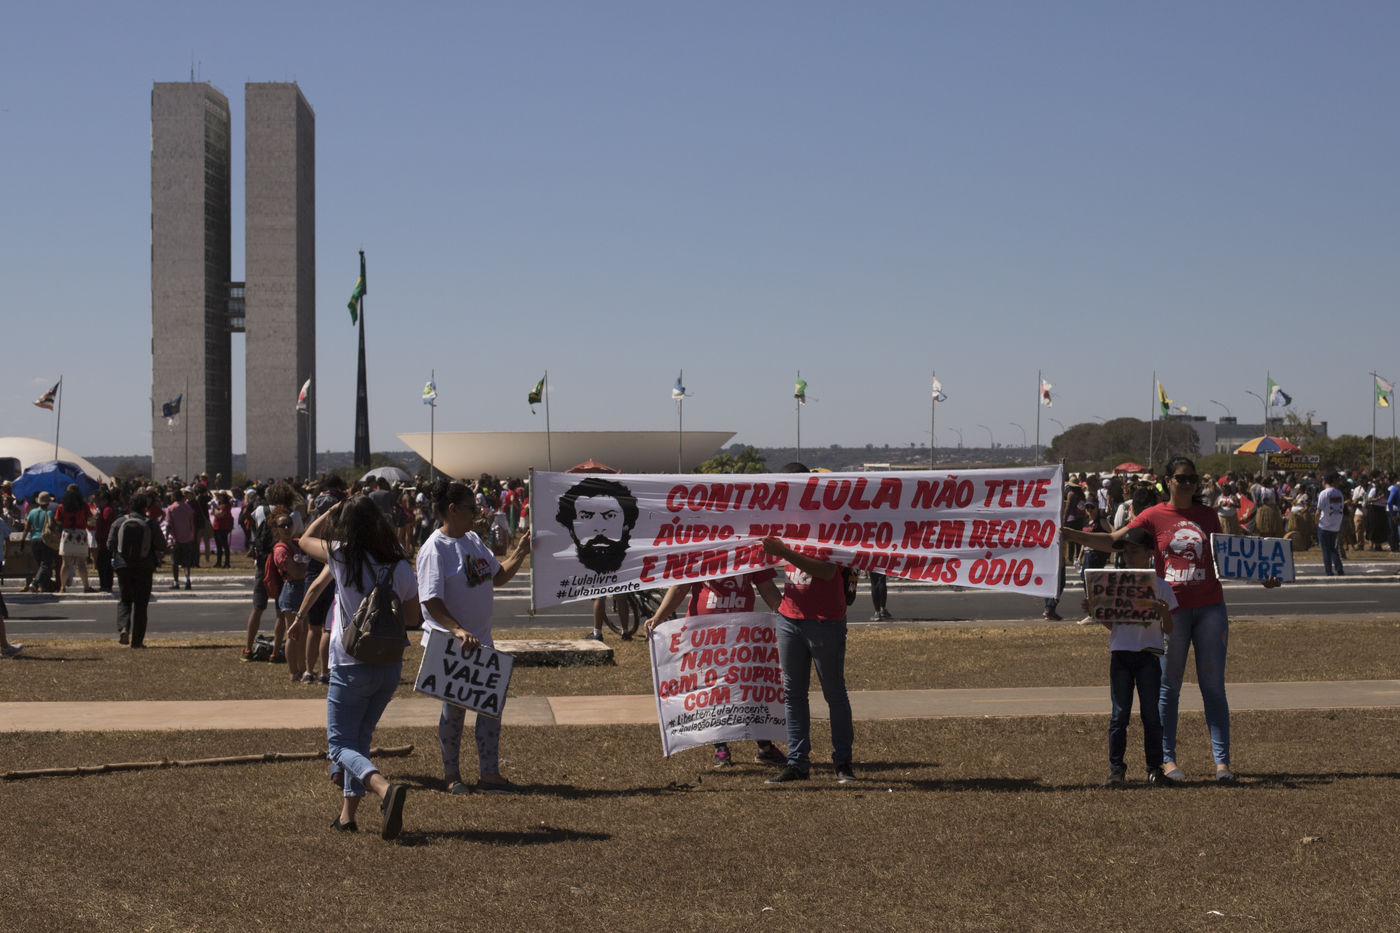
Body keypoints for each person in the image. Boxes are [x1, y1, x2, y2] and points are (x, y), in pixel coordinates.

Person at [1064, 456, 1281, 784]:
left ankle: (1222, 764)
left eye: (1193, 478)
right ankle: (1167, 761)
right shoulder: (1153, 516)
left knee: (1213, 687)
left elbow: (1230, 555)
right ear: (1168, 481)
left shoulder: (1209, 515)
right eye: (1182, 478)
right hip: (1172, 610)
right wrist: (1070, 535)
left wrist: (1262, 574)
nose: (1189, 483)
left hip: (1210, 608)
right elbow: (1115, 541)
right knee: (1169, 687)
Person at [299, 496, 418, 840]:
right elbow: (413, 617)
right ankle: (347, 816)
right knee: (360, 738)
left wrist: (329, 511)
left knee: (338, 745)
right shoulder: (399, 564)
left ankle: (383, 788)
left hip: (350, 662)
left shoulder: (342, 556)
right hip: (389, 665)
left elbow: (304, 540)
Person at [416, 480, 532, 794]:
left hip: (481, 643)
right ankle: (451, 776)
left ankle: (489, 775)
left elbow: (498, 576)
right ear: (453, 510)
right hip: (452, 644)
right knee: (454, 711)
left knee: (491, 708)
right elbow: (430, 600)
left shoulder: (472, 540)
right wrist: (457, 630)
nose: (477, 513)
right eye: (471, 508)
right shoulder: (434, 549)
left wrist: (521, 551)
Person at [762, 462, 855, 785]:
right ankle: (798, 762)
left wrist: (784, 552)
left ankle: (843, 763)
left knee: (834, 693)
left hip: (825, 620)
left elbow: (828, 571)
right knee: (793, 694)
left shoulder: (829, 523)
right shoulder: (785, 522)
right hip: (791, 618)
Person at [644, 571, 788, 768]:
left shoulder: (750, 553)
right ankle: (720, 746)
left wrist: (785, 614)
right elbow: (680, 587)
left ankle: (764, 746)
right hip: (704, 634)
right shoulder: (697, 553)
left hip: (741, 631)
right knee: (711, 692)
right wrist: (658, 617)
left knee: (747, 689)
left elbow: (767, 587)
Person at [1081, 527, 1175, 787]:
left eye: (1134, 551)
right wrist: (1096, 610)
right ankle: (1116, 769)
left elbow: (1169, 629)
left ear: (1148, 553)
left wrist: (1163, 613)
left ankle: (1154, 768)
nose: (1129, 557)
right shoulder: (1114, 586)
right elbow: (1113, 626)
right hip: (1121, 654)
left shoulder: (1161, 587)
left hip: (1148, 656)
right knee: (1119, 715)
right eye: (1125, 552)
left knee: (1151, 715)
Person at [108, 492, 165, 648]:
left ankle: (124, 628)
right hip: (144, 566)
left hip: (123, 566)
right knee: (141, 604)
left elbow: (110, 544)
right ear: (145, 506)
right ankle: (137, 642)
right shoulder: (151, 523)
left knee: (125, 599)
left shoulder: (119, 522)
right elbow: (161, 544)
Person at [555, 476, 638, 575]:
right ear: (571, 528)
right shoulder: (553, 569)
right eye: (586, 516)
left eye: (610, 515)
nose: (599, 529)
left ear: (627, 524)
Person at [266, 507, 311, 682]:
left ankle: (303, 668)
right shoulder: (280, 550)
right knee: (293, 633)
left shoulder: (297, 543)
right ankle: (293, 671)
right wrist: (310, 569)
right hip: (291, 591)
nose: (286, 528)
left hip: (303, 589)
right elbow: (296, 573)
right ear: (276, 529)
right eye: (282, 525)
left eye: (289, 524)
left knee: (304, 632)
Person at [54, 484, 94, 594]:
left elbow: (58, 520)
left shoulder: (62, 506)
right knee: (81, 563)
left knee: (66, 563)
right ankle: (86, 587)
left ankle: (62, 587)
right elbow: (89, 517)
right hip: (80, 535)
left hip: (67, 534)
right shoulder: (83, 506)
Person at [23, 492, 57, 593]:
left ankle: (45, 586)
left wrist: (22, 540)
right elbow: (50, 525)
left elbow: (27, 527)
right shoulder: (49, 512)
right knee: (46, 564)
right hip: (45, 540)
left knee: (40, 565)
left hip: (34, 539)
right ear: (48, 503)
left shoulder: (32, 512)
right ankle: (35, 583)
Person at [165, 489, 197, 590]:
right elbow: (192, 523)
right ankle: (187, 581)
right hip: (187, 538)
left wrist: (167, 538)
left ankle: (176, 582)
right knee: (187, 562)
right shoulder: (188, 508)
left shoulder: (170, 508)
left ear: (174, 497)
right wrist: (192, 535)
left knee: (174, 562)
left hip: (175, 539)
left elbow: (168, 525)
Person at [1316, 472, 1346, 577]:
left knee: (1325, 550)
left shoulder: (1323, 493)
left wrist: (1315, 522)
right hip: (1335, 525)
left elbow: (1318, 511)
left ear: (1324, 481)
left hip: (1324, 525)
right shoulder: (1339, 493)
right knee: (1333, 548)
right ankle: (1339, 569)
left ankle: (1328, 571)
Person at [210, 491, 234, 569]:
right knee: (219, 546)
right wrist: (216, 508)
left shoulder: (226, 506)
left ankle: (227, 562)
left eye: (220, 496)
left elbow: (220, 514)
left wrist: (215, 508)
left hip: (223, 528)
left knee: (224, 545)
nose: (218, 497)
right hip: (217, 527)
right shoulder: (220, 505)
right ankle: (219, 562)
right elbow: (214, 513)